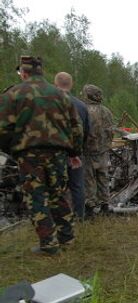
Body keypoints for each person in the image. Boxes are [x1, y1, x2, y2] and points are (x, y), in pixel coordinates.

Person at [0, 56, 83, 255]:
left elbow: (2, 129)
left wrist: (12, 150)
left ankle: (49, 244)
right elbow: (76, 128)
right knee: (58, 194)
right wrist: (74, 152)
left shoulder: (13, 94)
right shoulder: (62, 95)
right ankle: (67, 237)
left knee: (37, 198)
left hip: (29, 155)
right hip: (58, 154)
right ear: (41, 72)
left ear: (24, 72)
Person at [54, 72, 91, 220]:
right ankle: (79, 217)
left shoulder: (50, 103)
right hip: (76, 153)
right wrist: (78, 149)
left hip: (56, 153)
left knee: (56, 186)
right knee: (77, 186)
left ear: (55, 84)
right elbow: (87, 131)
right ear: (71, 84)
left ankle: (60, 218)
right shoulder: (81, 106)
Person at [82, 84, 114, 215]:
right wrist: (106, 146)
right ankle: (105, 206)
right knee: (103, 178)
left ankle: (90, 209)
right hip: (103, 151)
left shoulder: (83, 110)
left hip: (87, 152)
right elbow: (111, 132)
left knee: (88, 179)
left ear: (87, 95)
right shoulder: (106, 111)